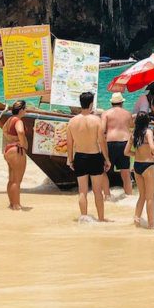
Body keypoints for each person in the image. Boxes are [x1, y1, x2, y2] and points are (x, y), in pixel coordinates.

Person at [66, 91, 111, 221]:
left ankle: (84, 218)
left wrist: (70, 159)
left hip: (79, 157)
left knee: (82, 191)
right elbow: (102, 141)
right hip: (95, 157)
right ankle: (101, 219)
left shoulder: (72, 121)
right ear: (91, 104)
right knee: (97, 191)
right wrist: (107, 159)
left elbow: (70, 143)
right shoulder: (96, 120)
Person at [126, 111, 154, 229]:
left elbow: (126, 152)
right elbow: (153, 147)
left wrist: (136, 154)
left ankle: (136, 219)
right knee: (150, 197)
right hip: (148, 165)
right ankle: (151, 224)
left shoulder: (134, 134)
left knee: (142, 196)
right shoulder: (148, 132)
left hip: (137, 166)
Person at [101, 92, 133, 195]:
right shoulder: (127, 113)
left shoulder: (105, 113)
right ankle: (129, 195)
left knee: (104, 170)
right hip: (125, 142)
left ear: (111, 103)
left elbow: (102, 129)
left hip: (110, 142)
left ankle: (107, 195)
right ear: (122, 102)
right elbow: (131, 126)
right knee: (125, 173)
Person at [3, 100, 28, 210]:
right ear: (21, 110)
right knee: (17, 180)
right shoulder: (18, 121)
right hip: (17, 151)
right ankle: (17, 205)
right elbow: (21, 132)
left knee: (12, 179)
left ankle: (12, 203)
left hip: (9, 149)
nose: (26, 110)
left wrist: (11, 139)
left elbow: (4, 131)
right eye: (25, 108)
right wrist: (22, 144)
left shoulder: (9, 120)